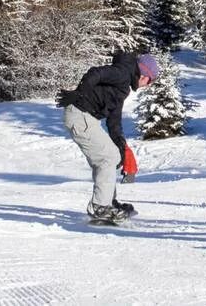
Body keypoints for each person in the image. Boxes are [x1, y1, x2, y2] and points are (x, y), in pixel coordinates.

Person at [56, 50, 159, 224]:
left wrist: (121, 144)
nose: (148, 85)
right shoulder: (123, 73)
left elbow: (114, 119)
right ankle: (100, 207)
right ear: (144, 74)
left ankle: (107, 202)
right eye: (150, 80)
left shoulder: (123, 84)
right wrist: (80, 93)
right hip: (80, 115)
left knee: (111, 155)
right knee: (107, 157)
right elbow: (96, 72)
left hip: (86, 118)